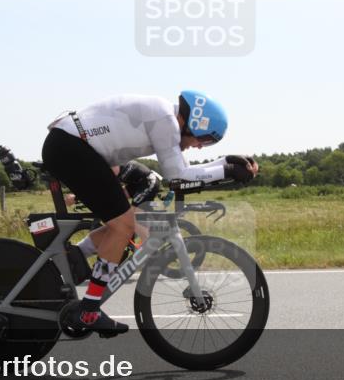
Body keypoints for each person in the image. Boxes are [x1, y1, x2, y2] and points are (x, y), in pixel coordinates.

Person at [41, 91, 259, 336]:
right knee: (123, 226)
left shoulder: (165, 116)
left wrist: (225, 162)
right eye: (204, 140)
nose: (199, 147)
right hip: (71, 147)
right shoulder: (166, 121)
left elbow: (182, 170)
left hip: (72, 146)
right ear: (195, 122)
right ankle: (89, 311)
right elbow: (177, 175)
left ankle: (75, 257)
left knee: (124, 224)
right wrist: (226, 170)